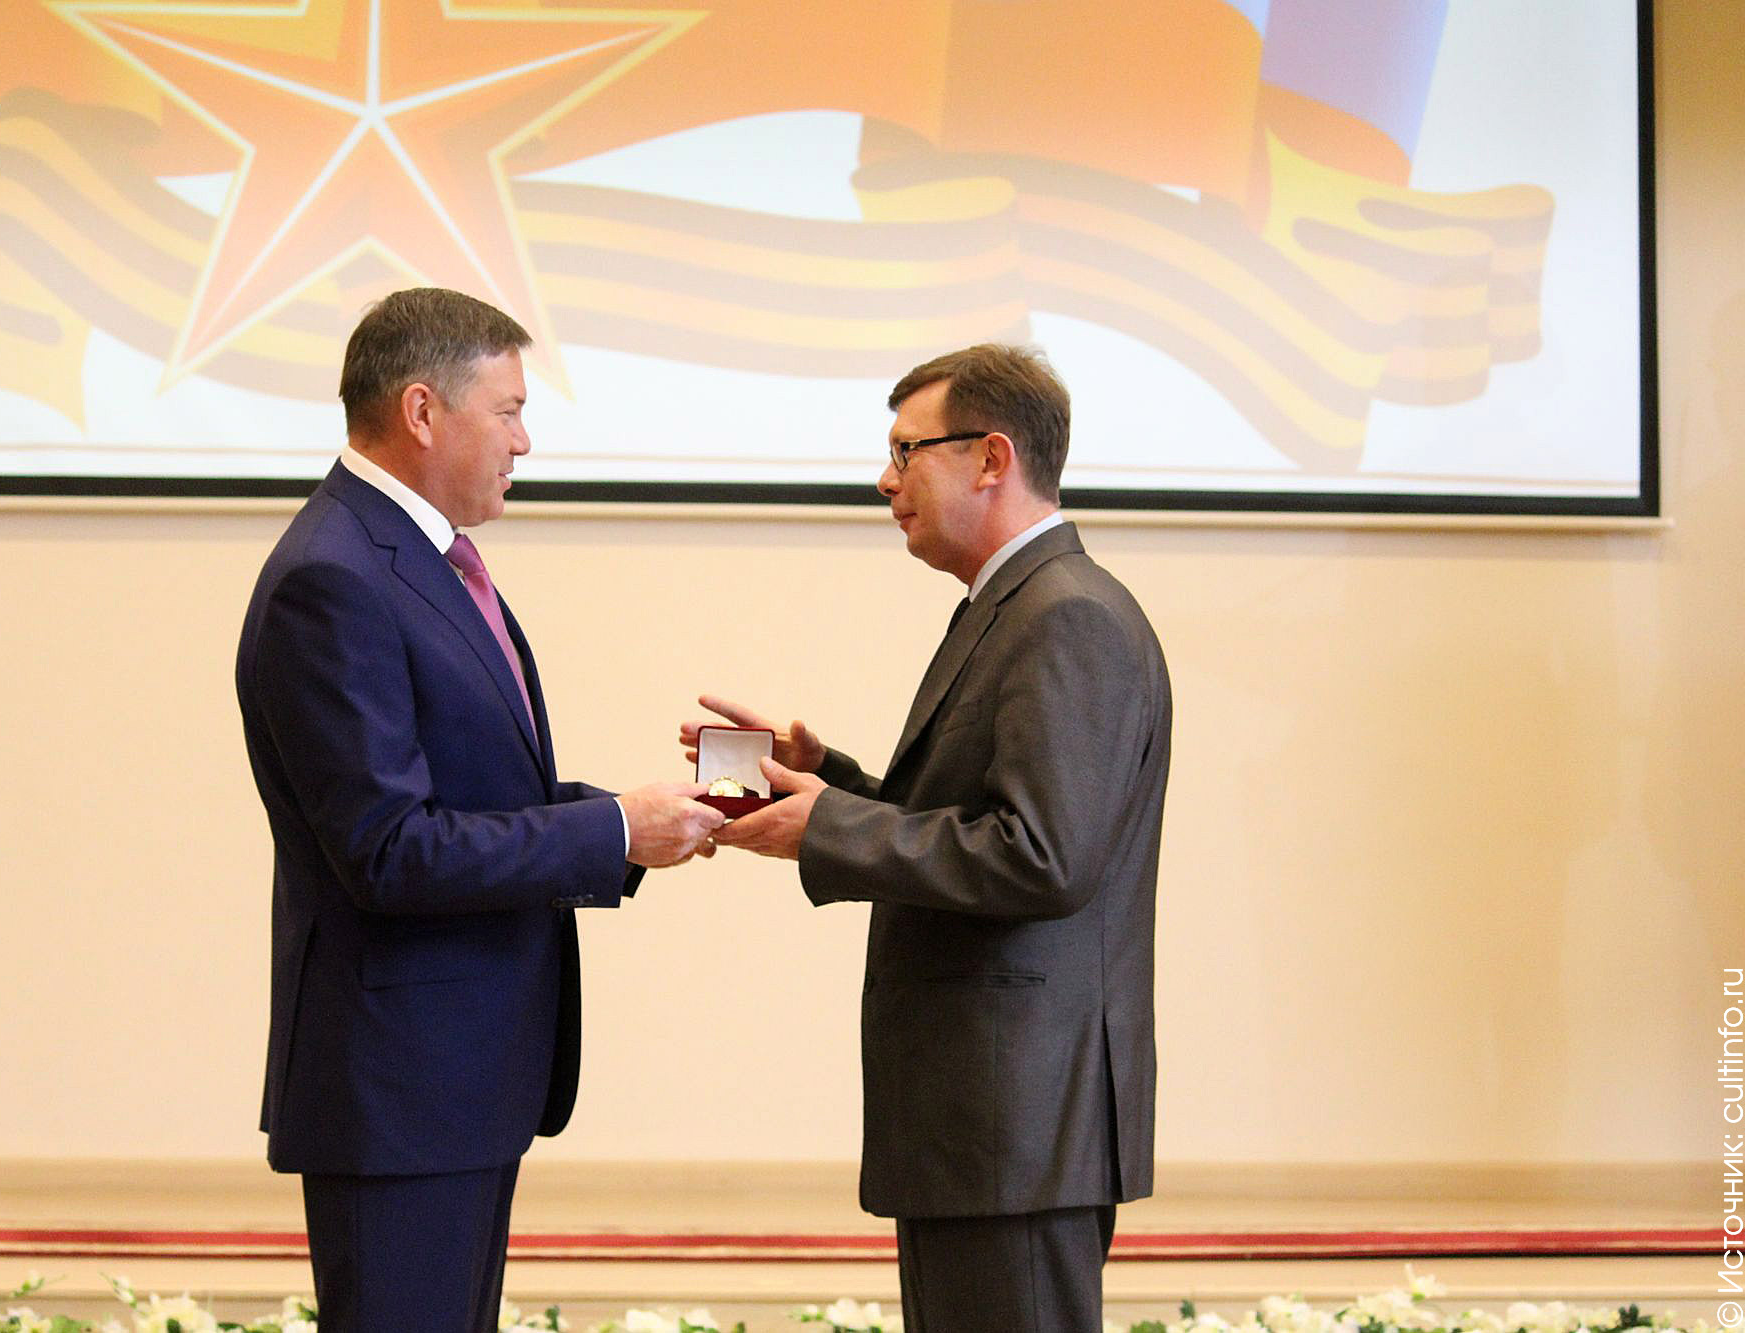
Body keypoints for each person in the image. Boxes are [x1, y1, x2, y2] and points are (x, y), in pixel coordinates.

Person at [236, 287, 723, 1333]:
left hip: (455, 1085)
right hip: (400, 1088)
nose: (524, 441)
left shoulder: (411, 557)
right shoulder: (334, 578)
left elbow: (475, 797)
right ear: (422, 411)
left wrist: (637, 820)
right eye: (508, 411)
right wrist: (610, 830)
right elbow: (389, 850)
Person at [687, 344, 1171, 1333]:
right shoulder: (1013, 606)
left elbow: (1042, 858)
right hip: (987, 1127)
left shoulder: (1066, 616)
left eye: (906, 450)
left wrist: (827, 827)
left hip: (1017, 1124)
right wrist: (827, 780)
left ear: (991, 457)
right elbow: (974, 822)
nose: (885, 478)